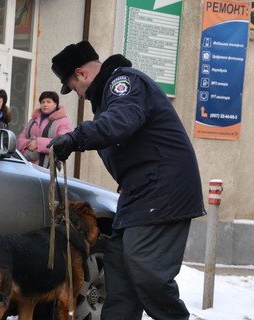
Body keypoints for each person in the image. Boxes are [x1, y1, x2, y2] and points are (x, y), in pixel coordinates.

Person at [47, 40, 206, 320]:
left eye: (73, 87)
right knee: (119, 273)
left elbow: (121, 121)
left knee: (147, 270)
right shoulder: (108, 96)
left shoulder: (124, 83)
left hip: (163, 190)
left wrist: (76, 137)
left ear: (81, 74)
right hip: (138, 194)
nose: (79, 95)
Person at [17, 91, 73, 168]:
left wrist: (38, 143)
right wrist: (29, 144)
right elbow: (20, 139)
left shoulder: (63, 121)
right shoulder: (33, 120)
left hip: (50, 169)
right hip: (28, 166)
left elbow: (63, 143)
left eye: (48, 102)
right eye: (43, 102)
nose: (45, 104)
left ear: (56, 104)